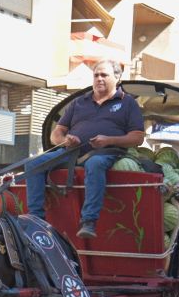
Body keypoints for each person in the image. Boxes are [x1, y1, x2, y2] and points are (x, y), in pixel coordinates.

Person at [24, 59, 145, 239]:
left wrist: (108, 140)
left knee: (95, 164)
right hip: (71, 152)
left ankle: (89, 221)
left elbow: (138, 137)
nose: (99, 79)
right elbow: (56, 134)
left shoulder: (128, 103)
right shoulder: (79, 102)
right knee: (33, 164)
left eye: (104, 75)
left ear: (117, 77)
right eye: (96, 75)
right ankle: (36, 218)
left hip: (106, 152)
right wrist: (66, 140)